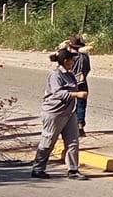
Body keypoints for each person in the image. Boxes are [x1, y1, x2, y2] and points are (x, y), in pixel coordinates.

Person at [31, 47, 88, 180]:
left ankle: (73, 170)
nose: (73, 63)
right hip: (54, 113)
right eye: (71, 61)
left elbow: (77, 84)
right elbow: (58, 93)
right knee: (49, 140)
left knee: (73, 141)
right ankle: (38, 168)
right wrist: (76, 94)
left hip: (69, 112)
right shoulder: (56, 75)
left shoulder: (70, 73)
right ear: (65, 61)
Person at [64, 35, 91, 128]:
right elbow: (88, 69)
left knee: (70, 104)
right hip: (82, 82)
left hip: (71, 82)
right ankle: (80, 123)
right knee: (81, 104)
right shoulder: (85, 57)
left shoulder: (69, 58)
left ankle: (71, 124)